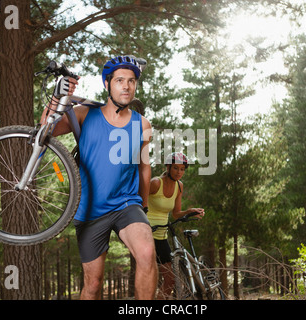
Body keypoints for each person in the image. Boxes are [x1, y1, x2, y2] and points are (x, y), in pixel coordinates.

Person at [41, 55, 157, 300]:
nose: (126, 86)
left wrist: (143, 205)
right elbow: (45, 129)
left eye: (131, 81)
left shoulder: (142, 124)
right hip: (89, 210)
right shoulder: (84, 113)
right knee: (93, 285)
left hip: (126, 203)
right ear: (107, 84)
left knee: (147, 253)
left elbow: (144, 167)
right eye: (119, 80)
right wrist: (55, 97)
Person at [147, 152, 205, 299]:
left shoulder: (179, 186)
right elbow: (137, 201)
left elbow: (176, 213)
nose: (179, 172)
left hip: (162, 236)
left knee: (170, 279)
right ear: (168, 167)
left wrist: (189, 211)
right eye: (175, 168)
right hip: (146, 235)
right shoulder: (155, 183)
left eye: (182, 169)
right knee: (148, 278)